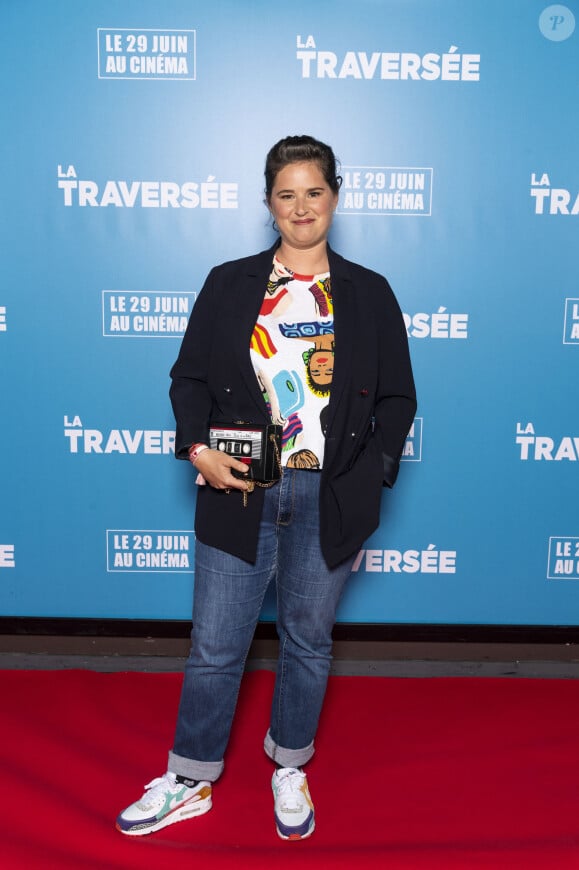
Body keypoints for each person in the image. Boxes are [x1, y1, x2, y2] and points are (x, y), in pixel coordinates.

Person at [116, 135, 416, 841]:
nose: (301, 206)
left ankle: (289, 764)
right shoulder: (228, 282)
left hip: (330, 497)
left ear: (335, 198)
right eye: (287, 194)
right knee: (217, 646)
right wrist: (197, 448)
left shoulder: (370, 293)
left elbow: (398, 399)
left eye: (314, 191)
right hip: (239, 491)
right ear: (268, 204)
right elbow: (187, 378)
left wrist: (370, 472)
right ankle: (190, 779)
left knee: (309, 644)